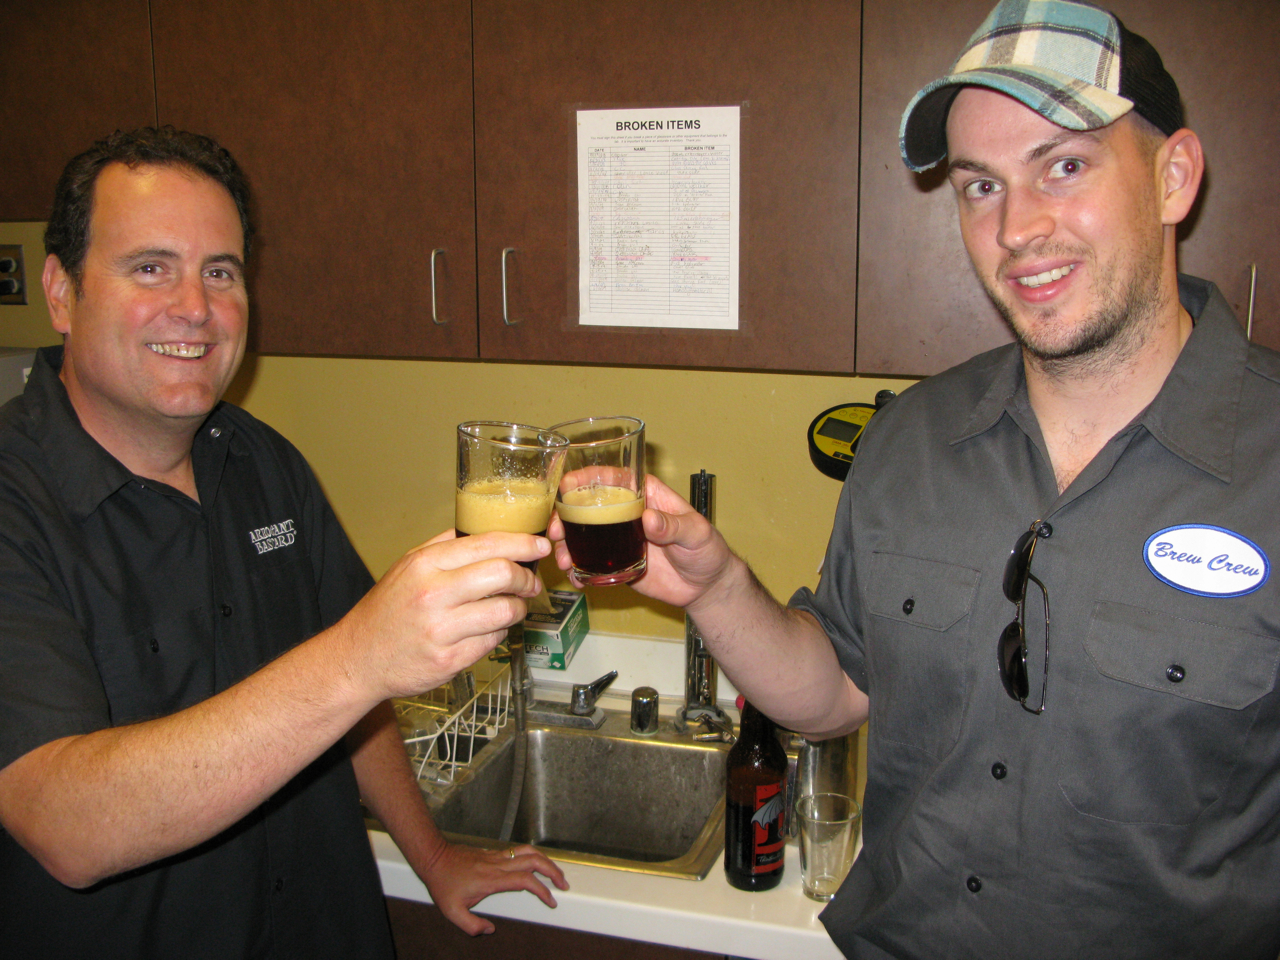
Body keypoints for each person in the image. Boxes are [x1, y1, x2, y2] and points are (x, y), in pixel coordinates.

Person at [551, 2, 1280, 957]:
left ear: (1173, 175)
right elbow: (834, 691)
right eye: (981, 185)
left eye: (1064, 165)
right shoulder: (910, 441)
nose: (1019, 227)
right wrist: (717, 590)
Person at [0, 126, 567, 959]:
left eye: (220, 272)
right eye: (150, 266)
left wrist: (435, 855)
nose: (194, 307)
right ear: (61, 290)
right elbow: (68, 828)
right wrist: (358, 654)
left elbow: (358, 702)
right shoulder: (16, 505)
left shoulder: (262, 462)